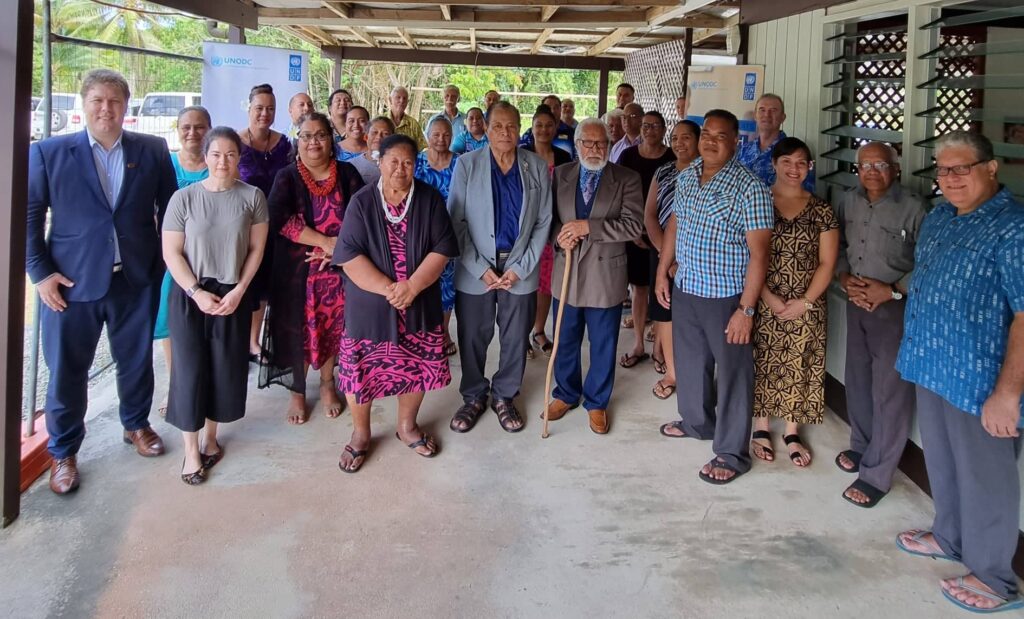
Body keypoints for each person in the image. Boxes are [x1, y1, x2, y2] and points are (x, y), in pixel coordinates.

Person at [27, 68, 177, 495]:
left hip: (135, 279)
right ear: (84, 104)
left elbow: (171, 210)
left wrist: (162, 265)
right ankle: (63, 451)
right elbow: (29, 216)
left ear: (126, 106)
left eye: (114, 101)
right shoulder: (49, 153)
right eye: (97, 100)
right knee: (66, 372)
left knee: (136, 360)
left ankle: (136, 424)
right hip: (70, 285)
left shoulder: (151, 150)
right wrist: (40, 274)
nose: (106, 109)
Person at [895, 131, 1024, 614]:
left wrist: (1007, 395)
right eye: (943, 170)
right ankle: (949, 536)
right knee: (944, 461)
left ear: (990, 168)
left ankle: (994, 578)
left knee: (986, 478)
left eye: (961, 168)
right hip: (933, 365)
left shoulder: (1013, 228)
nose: (950, 178)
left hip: (981, 381)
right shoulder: (939, 217)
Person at [654, 109, 773, 485]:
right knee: (691, 363)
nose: (710, 141)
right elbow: (675, 224)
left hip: (727, 297)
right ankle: (697, 423)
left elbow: (760, 255)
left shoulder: (750, 187)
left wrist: (746, 310)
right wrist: (662, 270)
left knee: (734, 374)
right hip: (687, 287)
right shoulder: (687, 175)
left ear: (735, 142)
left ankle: (732, 453)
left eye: (721, 136)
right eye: (706, 133)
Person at [333, 134, 459, 472]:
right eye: (393, 161)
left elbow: (442, 248)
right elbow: (349, 255)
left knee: (415, 366)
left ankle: (407, 426)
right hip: (371, 306)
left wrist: (412, 286)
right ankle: (361, 434)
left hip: (418, 301)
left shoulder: (430, 199)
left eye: (407, 162)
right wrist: (390, 289)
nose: (400, 169)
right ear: (380, 162)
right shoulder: (361, 202)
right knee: (362, 372)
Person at [162, 126, 268, 485]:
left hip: (232, 294)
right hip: (190, 294)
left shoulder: (252, 197)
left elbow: (256, 250)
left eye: (231, 154)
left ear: (240, 157)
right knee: (189, 369)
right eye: (216, 154)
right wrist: (195, 291)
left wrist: (239, 291)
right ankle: (190, 450)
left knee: (223, 367)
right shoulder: (184, 198)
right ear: (205, 156)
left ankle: (211, 438)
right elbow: (171, 253)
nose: (223, 161)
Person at [447, 101, 552, 434]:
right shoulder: (467, 164)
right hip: (475, 268)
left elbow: (543, 221)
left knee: (516, 335)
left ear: (519, 129)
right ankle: (474, 395)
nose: (505, 133)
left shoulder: (536, 166)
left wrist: (521, 267)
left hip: (520, 267)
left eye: (511, 126)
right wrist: (480, 268)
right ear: (486, 129)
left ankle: (505, 395)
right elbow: (456, 221)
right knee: (472, 334)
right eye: (498, 126)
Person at [835, 141, 926, 506]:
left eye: (881, 165)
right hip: (855, 302)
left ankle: (877, 474)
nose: (872, 171)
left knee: (890, 390)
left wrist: (892, 290)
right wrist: (844, 279)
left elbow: (929, 262)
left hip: (893, 309)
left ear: (896, 169)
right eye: (865, 165)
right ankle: (861, 446)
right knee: (857, 378)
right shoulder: (849, 200)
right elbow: (840, 245)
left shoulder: (915, 207)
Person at [261, 112, 365, 424]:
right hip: (298, 275)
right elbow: (279, 218)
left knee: (332, 330)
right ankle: (297, 390)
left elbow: (362, 216)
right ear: (298, 141)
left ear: (331, 140)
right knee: (300, 333)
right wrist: (324, 242)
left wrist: (338, 251)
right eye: (306, 136)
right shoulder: (287, 176)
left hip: (338, 272)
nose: (313, 142)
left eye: (320, 135)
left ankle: (327, 383)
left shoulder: (347, 173)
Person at [544, 118, 644, 434]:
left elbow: (633, 225)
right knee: (565, 339)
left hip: (605, 275)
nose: (594, 149)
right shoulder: (561, 175)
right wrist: (560, 236)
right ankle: (565, 393)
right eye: (587, 142)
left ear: (609, 145)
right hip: (567, 271)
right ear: (577, 145)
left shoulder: (626, 178)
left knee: (603, 343)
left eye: (601, 143)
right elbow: (548, 221)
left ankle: (597, 401)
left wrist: (589, 227)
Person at [750, 138, 839, 467]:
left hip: (807, 300)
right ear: (774, 164)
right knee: (761, 357)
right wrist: (767, 296)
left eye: (802, 162)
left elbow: (827, 262)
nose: (794, 168)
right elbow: (747, 254)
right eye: (786, 161)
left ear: (809, 167)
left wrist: (805, 302)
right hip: (763, 295)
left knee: (801, 361)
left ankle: (791, 430)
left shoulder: (821, 209)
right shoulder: (758, 201)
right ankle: (760, 425)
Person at [153, 106, 212, 417]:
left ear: (209, 130)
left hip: (210, 258)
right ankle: (176, 386)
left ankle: (205, 386)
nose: (192, 133)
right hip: (172, 258)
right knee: (170, 324)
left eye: (199, 127)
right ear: (177, 130)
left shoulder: (218, 164)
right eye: (186, 127)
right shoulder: (166, 164)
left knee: (206, 326)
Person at [238, 84, 292, 363]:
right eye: (259, 108)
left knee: (266, 288)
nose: (264, 114)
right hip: (244, 227)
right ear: (248, 107)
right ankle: (236, 342)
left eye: (270, 108)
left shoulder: (284, 144)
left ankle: (253, 342)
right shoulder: (235, 142)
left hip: (278, 226)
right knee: (244, 284)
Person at [617, 111, 675, 371]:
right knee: (639, 289)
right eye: (645, 126)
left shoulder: (672, 158)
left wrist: (657, 238)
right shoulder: (628, 156)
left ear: (664, 129)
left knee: (661, 291)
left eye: (655, 125)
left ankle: (659, 350)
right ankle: (639, 343)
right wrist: (632, 230)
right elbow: (617, 193)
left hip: (666, 237)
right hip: (633, 231)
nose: (650, 130)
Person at [647, 120, 700, 401]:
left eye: (686, 137)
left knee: (692, 316)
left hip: (697, 258)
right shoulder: (663, 171)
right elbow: (649, 215)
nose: (680, 143)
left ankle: (695, 372)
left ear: (699, 140)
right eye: (675, 138)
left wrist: (681, 258)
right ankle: (673, 373)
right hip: (662, 255)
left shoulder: (706, 172)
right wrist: (665, 255)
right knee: (665, 313)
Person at [523, 104, 572, 360]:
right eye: (539, 125)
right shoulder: (522, 155)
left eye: (549, 125)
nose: (543, 130)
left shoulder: (563, 157)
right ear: (531, 128)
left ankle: (539, 331)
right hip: (526, 229)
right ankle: (521, 334)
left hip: (552, 230)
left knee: (545, 285)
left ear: (556, 128)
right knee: (524, 284)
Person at [415, 116, 460, 357]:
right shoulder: (417, 162)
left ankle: (443, 332)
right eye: (436, 134)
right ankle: (423, 333)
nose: (441, 139)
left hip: (450, 234)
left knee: (447, 285)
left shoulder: (460, 163)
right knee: (421, 281)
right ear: (427, 136)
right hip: (420, 233)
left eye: (446, 135)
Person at [738, 94, 815, 192]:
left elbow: (806, 193)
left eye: (773, 110)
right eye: (762, 110)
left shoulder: (795, 152)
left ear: (783, 117)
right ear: (755, 116)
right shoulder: (744, 149)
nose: (767, 115)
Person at [519, 94, 576, 158]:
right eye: (548, 107)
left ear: (560, 110)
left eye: (556, 107)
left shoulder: (571, 133)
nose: (552, 111)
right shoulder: (530, 133)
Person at [349, 116, 394, 187]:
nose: (379, 137)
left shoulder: (397, 165)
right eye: (374, 132)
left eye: (385, 134)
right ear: (366, 137)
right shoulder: (351, 165)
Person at [388, 86, 428, 152]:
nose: (401, 101)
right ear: (390, 100)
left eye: (404, 98)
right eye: (398, 97)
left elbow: (423, 149)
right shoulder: (382, 122)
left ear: (407, 102)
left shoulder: (413, 124)